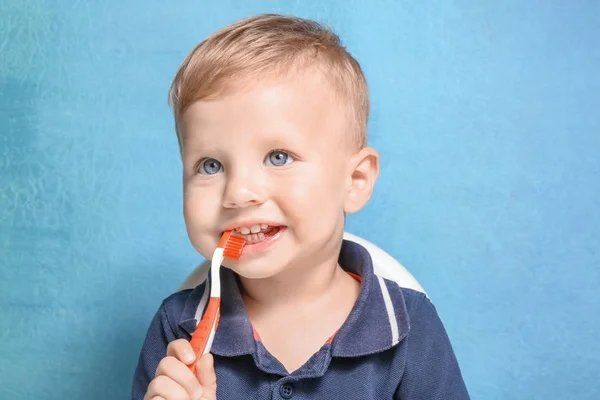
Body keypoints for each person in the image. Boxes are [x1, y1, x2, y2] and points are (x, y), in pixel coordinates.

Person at [132, 13, 470, 400]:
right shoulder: (177, 330)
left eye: (278, 157)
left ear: (355, 181)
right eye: (211, 166)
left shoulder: (410, 328)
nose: (239, 193)